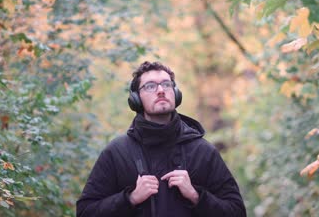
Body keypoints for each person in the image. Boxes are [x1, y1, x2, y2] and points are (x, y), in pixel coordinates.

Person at [77, 61, 246, 217]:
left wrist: (195, 196)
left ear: (176, 93)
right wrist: (130, 198)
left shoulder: (202, 151)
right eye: (150, 86)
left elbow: (237, 211)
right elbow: (85, 212)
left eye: (166, 84)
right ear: (136, 99)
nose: (160, 90)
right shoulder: (117, 152)